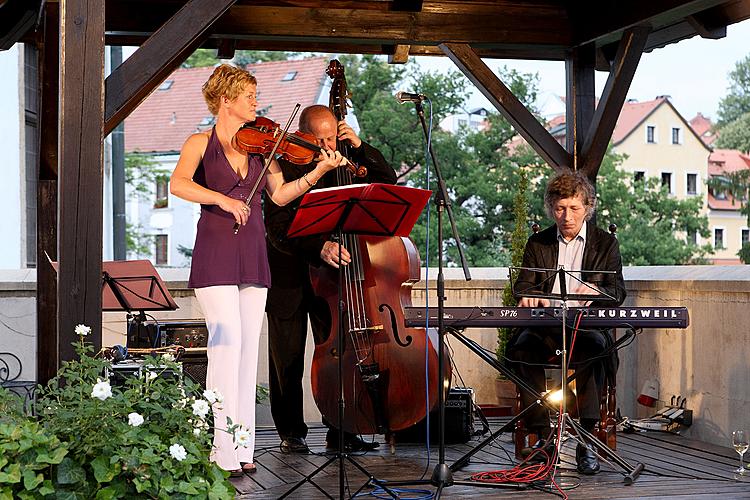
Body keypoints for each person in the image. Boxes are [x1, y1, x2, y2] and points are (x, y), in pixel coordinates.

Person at [169, 66, 346, 477]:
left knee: (248, 354)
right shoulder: (200, 143)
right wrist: (224, 200)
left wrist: (317, 172)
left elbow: (281, 195)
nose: (255, 101)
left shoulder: (260, 149)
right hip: (215, 255)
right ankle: (220, 448)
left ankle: (243, 447)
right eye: (249, 95)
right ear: (226, 99)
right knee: (225, 350)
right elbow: (178, 184)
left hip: (253, 256)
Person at [264, 104, 397, 454]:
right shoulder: (284, 162)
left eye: (331, 137)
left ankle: (343, 429)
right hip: (289, 276)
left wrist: (361, 146)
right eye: (319, 138)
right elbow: (278, 228)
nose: (327, 145)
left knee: (339, 355)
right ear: (303, 133)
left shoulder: (346, 158)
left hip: (332, 276)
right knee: (287, 360)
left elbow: (387, 184)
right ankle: (291, 432)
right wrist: (318, 246)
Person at [507, 170, 626, 475]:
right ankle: (542, 436)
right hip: (546, 329)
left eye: (574, 208)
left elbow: (618, 293)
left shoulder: (605, 244)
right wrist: (532, 296)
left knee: (595, 349)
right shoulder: (539, 242)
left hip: (584, 328)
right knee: (522, 349)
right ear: (551, 209)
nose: (567, 216)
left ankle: (585, 440)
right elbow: (523, 286)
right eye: (560, 209)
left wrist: (596, 290)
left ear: (588, 207)